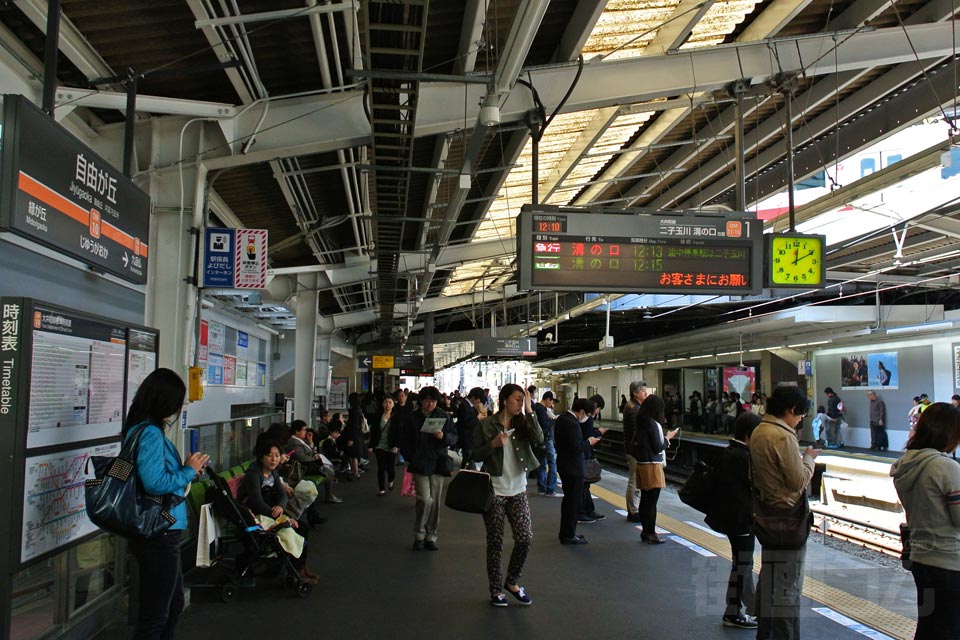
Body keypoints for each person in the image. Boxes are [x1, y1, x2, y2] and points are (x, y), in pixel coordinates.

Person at [123, 368, 208, 640]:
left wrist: (187, 471)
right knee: (157, 613)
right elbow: (154, 482)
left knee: (171, 606)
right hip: (159, 531)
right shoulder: (149, 433)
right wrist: (187, 471)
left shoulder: (140, 428)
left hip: (159, 529)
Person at [750, 385, 820, 640]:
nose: (800, 420)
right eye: (800, 415)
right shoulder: (782, 436)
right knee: (787, 586)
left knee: (769, 579)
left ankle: (764, 634)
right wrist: (809, 458)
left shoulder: (759, 430)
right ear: (791, 410)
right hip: (787, 520)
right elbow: (797, 481)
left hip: (767, 516)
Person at [890, 402, 960, 640]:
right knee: (950, 628)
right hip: (949, 561)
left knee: (929, 626)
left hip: (921, 558)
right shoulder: (946, 467)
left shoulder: (906, 465)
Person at [472, 384, 544, 607]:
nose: (520, 403)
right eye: (517, 399)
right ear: (504, 400)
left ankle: (512, 582)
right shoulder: (486, 425)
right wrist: (492, 444)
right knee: (495, 542)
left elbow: (539, 439)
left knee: (525, 538)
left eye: (523, 399)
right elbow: (474, 453)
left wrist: (531, 412)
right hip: (494, 489)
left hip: (518, 489)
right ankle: (495, 589)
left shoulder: (523, 423)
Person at [706, 412, 762, 629]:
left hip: (732, 518)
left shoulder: (730, 451)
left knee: (742, 563)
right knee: (742, 564)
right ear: (750, 434)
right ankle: (733, 612)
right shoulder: (743, 457)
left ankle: (747, 608)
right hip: (741, 519)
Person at [238, 439, 318, 585]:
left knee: (302, 527)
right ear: (261, 457)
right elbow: (257, 503)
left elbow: (282, 495)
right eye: (269, 455)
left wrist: (281, 507)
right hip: (258, 516)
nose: (274, 459)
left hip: (272, 513)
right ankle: (295, 573)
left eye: (276, 455)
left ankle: (300, 567)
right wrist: (283, 518)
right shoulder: (254, 474)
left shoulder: (273, 473)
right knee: (295, 530)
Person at [398, 386, 457, 550]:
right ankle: (419, 533)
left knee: (436, 501)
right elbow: (404, 440)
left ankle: (431, 536)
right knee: (425, 499)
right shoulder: (412, 418)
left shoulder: (443, 416)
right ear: (421, 401)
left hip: (438, 462)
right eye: (427, 400)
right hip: (420, 463)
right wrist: (411, 457)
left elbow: (454, 437)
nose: (430, 404)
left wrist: (443, 437)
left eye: (433, 401)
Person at [629, 394, 677, 544]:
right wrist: (668, 439)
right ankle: (651, 533)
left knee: (645, 501)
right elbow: (657, 447)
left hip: (642, 465)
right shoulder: (653, 424)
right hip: (652, 466)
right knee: (651, 503)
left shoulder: (641, 421)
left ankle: (645, 532)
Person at [554, 397, 599, 544]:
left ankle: (568, 532)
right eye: (587, 415)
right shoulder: (572, 424)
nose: (586, 418)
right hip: (573, 468)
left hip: (565, 465)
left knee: (569, 501)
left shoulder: (562, 419)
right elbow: (576, 448)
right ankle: (569, 535)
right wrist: (589, 442)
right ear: (581, 411)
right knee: (572, 502)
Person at [287, 419, 341, 504]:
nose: (306, 432)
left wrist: (311, 442)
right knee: (328, 471)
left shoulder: (302, 440)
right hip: (303, 469)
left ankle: (329, 494)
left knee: (328, 469)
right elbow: (302, 458)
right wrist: (314, 458)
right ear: (296, 431)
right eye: (304, 430)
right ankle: (329, 495)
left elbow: (310, 452)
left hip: (308, 465)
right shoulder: (294, 443)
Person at [622, 381, 649, 522]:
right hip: (635, 450)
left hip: (632, 448)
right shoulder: (634, 409)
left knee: (635, 480)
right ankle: (633, 511)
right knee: (634, 480)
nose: (646, 393)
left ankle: (633, 509)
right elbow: (637, 431)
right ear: (635, 393)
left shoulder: (632, 406)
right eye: (643, 391)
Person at [579, 394, 607, 522]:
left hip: (581, 454)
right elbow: (589, 436)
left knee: (585, 485)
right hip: (585, 455)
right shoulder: (588, 419)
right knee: (584, 485)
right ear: (595, 406)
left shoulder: (582, 417)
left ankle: (589, 510)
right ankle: (583, 512)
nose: (598, 412)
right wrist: (599, 433)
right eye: (599, 409)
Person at [368, 395, 400, 495]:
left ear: (393, 404)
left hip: (391, 445)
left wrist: (396, 445)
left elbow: (399, 433)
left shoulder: (396, 417)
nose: (388, 404)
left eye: (390, 402)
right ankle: (381, 489)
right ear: (382, 404)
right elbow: (374, 432)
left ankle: (391, 480)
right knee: (381, 467)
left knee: (390, 468)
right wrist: (371, 445)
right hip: (379, 445)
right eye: (386, 402)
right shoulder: (377, 416)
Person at [533, 391, 559, 496]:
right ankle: (551, 489)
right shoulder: (541, 409)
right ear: (547, 399)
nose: (552, 404)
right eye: (552, 401)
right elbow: (545, 425)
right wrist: (554, 419)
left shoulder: (537, 408)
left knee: (542, 463)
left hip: (539, 440)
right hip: (546, 439)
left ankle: (541, 488)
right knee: (552, 463)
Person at [456, 387, 484, 469]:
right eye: (478, 398)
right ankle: (464, 473)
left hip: (470, 437)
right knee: (467, 457)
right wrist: (477, 418)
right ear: (473, 396)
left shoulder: (470, 406)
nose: (479, 401)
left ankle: (467, 472)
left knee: (469, 457)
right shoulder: (463, 405)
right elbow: (463, 422)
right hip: (466, 437)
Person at [341, 393, 365, 481]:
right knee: (353, 455)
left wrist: (351, 438)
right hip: (357, 435)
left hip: (353, 436)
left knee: (352, 455)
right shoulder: (359, 410)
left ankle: (355, 472)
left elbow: (354, 426)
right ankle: (355, 471)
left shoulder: (354, 411)